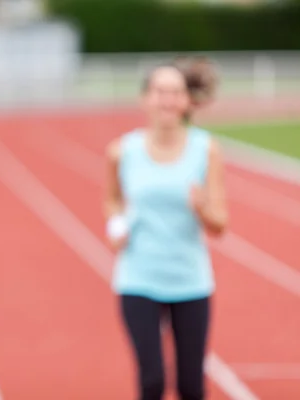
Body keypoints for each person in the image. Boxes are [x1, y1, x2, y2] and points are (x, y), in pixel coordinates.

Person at [104, 57, 228, 400]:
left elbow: (220, 224)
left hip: (190, 280)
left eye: (175, 92)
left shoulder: (206, 150)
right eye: (160, 91)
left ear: (187, 100)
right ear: (145, 99)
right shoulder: (121, 151)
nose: (168, 100)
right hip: (138, 277)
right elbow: (112, 200)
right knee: (152, 381)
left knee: (191, 386)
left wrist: (203, 208)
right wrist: (115, 226)